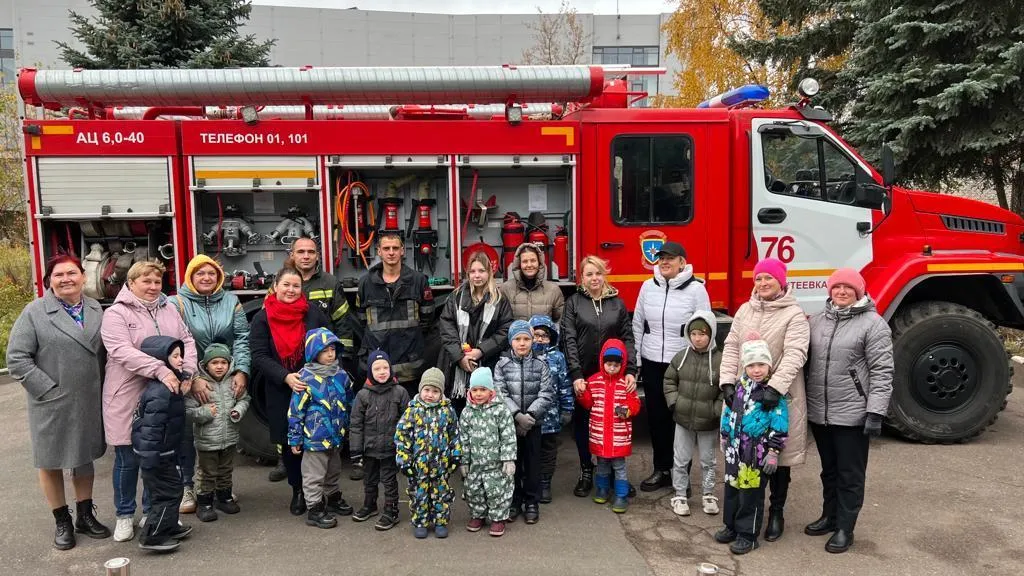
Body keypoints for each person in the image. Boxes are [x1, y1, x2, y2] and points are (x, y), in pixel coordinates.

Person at [6, 254, 112, 550]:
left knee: (83, 457)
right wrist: (47, 389)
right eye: (58, 275)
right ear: (49, 281)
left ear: (82, 276)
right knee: (50, 461)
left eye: (72, 273)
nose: (66, 279)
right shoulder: (35, 312)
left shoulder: (95, 308)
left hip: (89, 399)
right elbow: (16, 359)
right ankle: (61, 520)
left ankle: (84, 515)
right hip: (50, 400)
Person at [101, 260, 197, 543]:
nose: (153, 287)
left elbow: (187, 341)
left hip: (163, 395)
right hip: (127, 394)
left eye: (157, 282)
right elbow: (120, 350)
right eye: (146, 281)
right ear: (131, 283)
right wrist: (162, 369)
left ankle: (152, 514)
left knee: (157, 458)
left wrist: (188, 370)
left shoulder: (169, 308)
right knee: (128, 458)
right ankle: (124, 515)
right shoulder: (116, 313)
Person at [718, 257, 809, 542]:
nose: (763, 283)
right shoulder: (745, 309)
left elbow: (796, 352)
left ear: (781, 281)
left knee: (778, 459)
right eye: (759, 278)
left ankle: (776, 512)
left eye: (769, 278)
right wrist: (727, 382)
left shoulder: (793, 314)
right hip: (743, 396)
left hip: (777, 398)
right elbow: (732, 345)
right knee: (743, 462)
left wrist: (776, 388)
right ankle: (739, 521)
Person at [804, 268, 894, 554]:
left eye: (848, 288)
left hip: (853, 413)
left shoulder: (873, 324)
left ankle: (845, 527)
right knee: (828, 470)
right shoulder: (817, 321)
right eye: (837, 287)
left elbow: (882, 371)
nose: (842, 292)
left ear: (859, 292)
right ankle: (829, 516)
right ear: (829, 291)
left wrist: (875, 412)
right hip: (820, 411)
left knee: (850, 473)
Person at [250, 263, 331, 516]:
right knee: (291, 443)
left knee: (316, 441)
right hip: (282, 389)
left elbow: (328, 344)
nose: (291, 290)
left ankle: (317, 492)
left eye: (296, 286)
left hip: (314, 388)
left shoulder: (313, 313)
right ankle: (298, 491)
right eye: (286, 285)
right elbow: (259, 355)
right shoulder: (263, 318)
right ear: (275, 287)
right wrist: (285, 376)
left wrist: (316, 373)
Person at [631, 241, 712, 492]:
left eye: (670, 258)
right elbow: (638, 323)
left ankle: (682, 475)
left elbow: (706, 329)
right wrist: (637, 360)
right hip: (653, 360)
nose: (664, 262)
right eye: (661, 258)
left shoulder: (697, 290)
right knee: (656, 419)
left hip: (683, 363)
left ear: (682, 263)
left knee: (681, 419)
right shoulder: (647, 287)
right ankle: (661, 470)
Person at [173, 254, 250, 512]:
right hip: (191, 378)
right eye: (200, 273)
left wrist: (241, 371)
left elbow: (241, 338)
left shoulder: (231, 301)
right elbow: (176, 344)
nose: (206, 278)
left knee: (221, 435)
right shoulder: (178, 303)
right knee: (188, 432)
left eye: (212, 274)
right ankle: (187, 487)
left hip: (223, 375)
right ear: (190, 277)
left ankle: (220, 489)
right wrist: (193, 378)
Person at [560, 255, 636, 497]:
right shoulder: (573, 303)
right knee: (583, 424)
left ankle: (615, 472)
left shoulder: (617, 303)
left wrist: (632, 370)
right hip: (585, 376)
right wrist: (576, 374)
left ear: (605, 274)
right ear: (582, 278)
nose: (594, 278)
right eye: (589, 274)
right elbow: (568, 339)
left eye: (598, 273)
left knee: (615, 423)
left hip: (614, 376)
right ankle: (586, 469)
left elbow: (628, 338)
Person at [715, 334, 789, 556]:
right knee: (732, 490)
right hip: (734, 452)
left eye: (761, 364)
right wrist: (725, 434)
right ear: (745, 366)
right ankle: (731, 526)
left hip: (755, 454)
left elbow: (780, 422)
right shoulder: (739, 386)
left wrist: (774, 451)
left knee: (751, 495)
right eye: (751, 365)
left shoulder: (772, 393)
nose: (756, 370)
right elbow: (729, 410)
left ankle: (748, 535)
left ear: (769, 365)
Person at [132, 335, 194, 552]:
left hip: (166, 453)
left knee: (173, 490)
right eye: (175, 356)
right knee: (167, 493)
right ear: (160, 359)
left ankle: (167, 526)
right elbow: (151, 429)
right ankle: (153, 536)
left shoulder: (171, 385)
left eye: (181, 355)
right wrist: (150, 459)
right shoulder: (161, 392)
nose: (180, 360)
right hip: (157, 456)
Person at [287, 328, 353, 530]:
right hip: (315, 437)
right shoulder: (304, 378)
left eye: (332, 349)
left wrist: (348, 426)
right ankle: (314, 508)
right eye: (325, 351)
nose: (330, 354)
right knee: (313, 475)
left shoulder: (341, 375)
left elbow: (349, 402)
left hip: (335, 436)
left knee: (334, 470)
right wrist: (295, 438)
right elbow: (296, 411)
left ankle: (332, 497)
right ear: (314, 353)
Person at [356, 233, 434, 396]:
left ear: (402, 251)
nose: (391, 252)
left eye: (395, 248)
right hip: (379, 366)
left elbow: (427, 317)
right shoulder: (366, 283)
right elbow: (362, 320)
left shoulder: (418, 281)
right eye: (386, 248)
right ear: (379, 252)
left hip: (410, 366)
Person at [663, 311, 723, 517]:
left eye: (703, 334)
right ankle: (679, 494)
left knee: (708, 461)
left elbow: (725, 388)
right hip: (683, 419)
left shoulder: (720, 360)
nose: (698, 338)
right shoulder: (681, 358)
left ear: (711, 334)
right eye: (694, 333)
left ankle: (708, 493)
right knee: (680, 459)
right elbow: (669, 380)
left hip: (709, 422)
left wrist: (716, 410)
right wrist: (675, 402)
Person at [494, 320, 554, 525]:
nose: (522, 343)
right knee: (513, 463)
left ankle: (531, 502)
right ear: (511, 341)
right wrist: (516, 415)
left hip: (533, 424)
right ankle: (514, 500)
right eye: (517, 339)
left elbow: (546, 394)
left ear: (532, 341)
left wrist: (529, 417)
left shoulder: (541, 364)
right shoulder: (502, 365)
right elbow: (500, 392)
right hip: (510, 425)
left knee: (532, 464)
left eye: (526, 339)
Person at [437, 250, 513, 409]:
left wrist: (481, 351)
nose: (477, 275)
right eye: (472, 271)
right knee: (458, 412)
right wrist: (460, 357)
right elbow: (446, 327)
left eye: (481, 271)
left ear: (490, 272)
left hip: (487, 364)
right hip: (456, 369)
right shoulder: (456, 297)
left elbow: (505, 331)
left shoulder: (499, 300)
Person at [185, 343, 251, 523]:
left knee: (226, 470)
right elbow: (189, 411)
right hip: (207, 440)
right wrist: (205, 412)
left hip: (229, 438)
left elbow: (245, 399)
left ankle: (224, 497)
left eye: (224, 362)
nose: (220, 366)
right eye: (215, 362)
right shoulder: (200, 386)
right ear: (206, 365)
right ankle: (204, 502)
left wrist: (238, 410)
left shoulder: (233, 382)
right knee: (207, 472)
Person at [394, 367, 462, 539]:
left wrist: (455, 454)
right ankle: (421, 522)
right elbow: (402, 437)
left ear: (441, 393)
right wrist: (404, 460)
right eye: (427, 390)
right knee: (419, 495)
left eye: (435, 391)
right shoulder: (412, 410)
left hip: (441, 465)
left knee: (441, 495)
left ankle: (440, 521)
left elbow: (454, 434)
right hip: (418, 466)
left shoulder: (447, 411)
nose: (430, 395)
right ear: (420, 390)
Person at [577, 340, 641, 514]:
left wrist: (628, 410)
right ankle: (602, 489)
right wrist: (581, 393)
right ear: (602, 362)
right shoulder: (594, 381)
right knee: (602, 463)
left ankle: (621, 495)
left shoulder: (625, 383)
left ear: (621, 364)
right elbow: (588, 403)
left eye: (616, 365)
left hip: (618, 435)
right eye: (608, 364)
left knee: (619, 466)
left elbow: (635, 403)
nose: (612, 368)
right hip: (599, 433)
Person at [350, 349, 410, 530]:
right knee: (369, 479)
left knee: (389, 480)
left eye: (385, 367)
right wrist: (355, 451)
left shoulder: (400, 392)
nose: (382, 371)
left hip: (390, 449)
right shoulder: (363, 395)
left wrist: (405, 447)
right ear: (370, 372)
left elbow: (408, 422)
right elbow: (355, 425)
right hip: (369, 449)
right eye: (377, 369)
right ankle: (370, 505)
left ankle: (391, 510)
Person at [459, 367, 517, 538]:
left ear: (491, 390)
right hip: (475, 463)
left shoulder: (501, 410)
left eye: (483, 390)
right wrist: (463, 461)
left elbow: (508, 435)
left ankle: (499, 518)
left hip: (496, 463)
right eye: (475, 390)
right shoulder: (467, 413)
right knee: (473, 490)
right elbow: (463, 439)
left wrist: (508, 459)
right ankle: (478, 515)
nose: (478, 394)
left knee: (497, 491)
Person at [529, 314, 573, 504]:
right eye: (536, 335)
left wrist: (567, 408)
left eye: (544, 335)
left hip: (551, 417)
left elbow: (564, 384)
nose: (540, 339)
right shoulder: (525, 355)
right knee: (531, 452)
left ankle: (546, 483)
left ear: (552, 337)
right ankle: (531, 483)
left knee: (548, 452)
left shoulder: (557, 357)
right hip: (530, 417)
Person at [500, 242, 565, 322]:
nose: (529, 265)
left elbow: (561, 321)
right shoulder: (506, 289)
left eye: (533, 260)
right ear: (519, 264)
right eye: (525, 261)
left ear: (540, 263)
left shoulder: (553, 290)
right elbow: (500, 323)